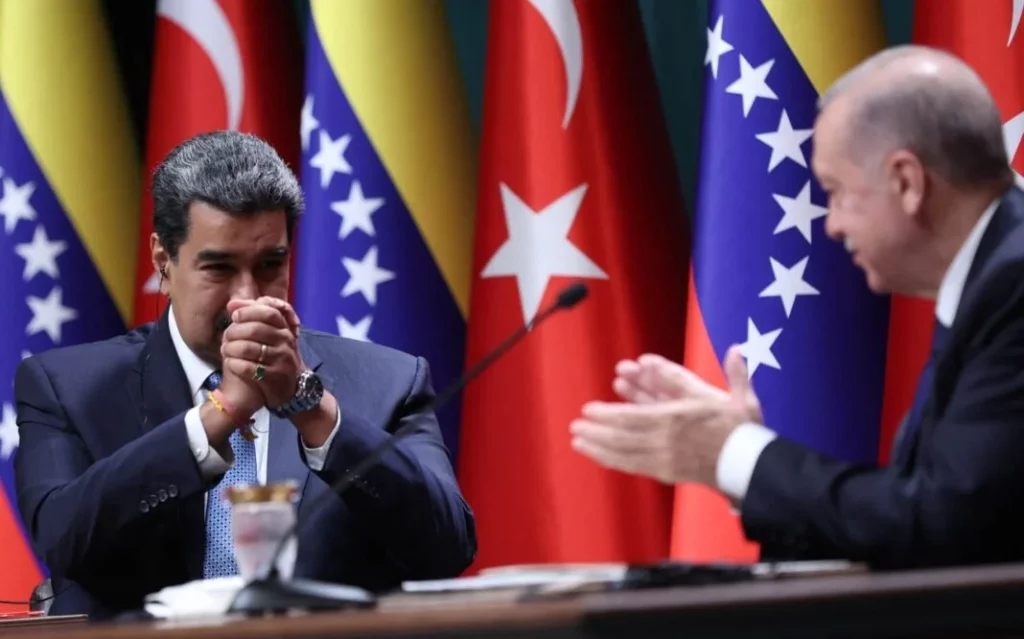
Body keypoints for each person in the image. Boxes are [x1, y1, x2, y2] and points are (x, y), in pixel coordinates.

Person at [570, 45, 1024, 569]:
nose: (830, 225)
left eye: (835, 191)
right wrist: (739, 456)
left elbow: (943, 527)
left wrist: (740, 455)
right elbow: (922, 523)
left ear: (907, 182)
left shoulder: (1011, 285)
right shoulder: (990, 278)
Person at [14, 131, 476, 618]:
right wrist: (223, 411)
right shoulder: (64, 387)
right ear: (162, 263)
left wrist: (311, 407)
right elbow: (62, 539)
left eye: (271, 265)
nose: (247, 296)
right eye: (219, 268)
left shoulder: (388, 382)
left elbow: (448, 550)